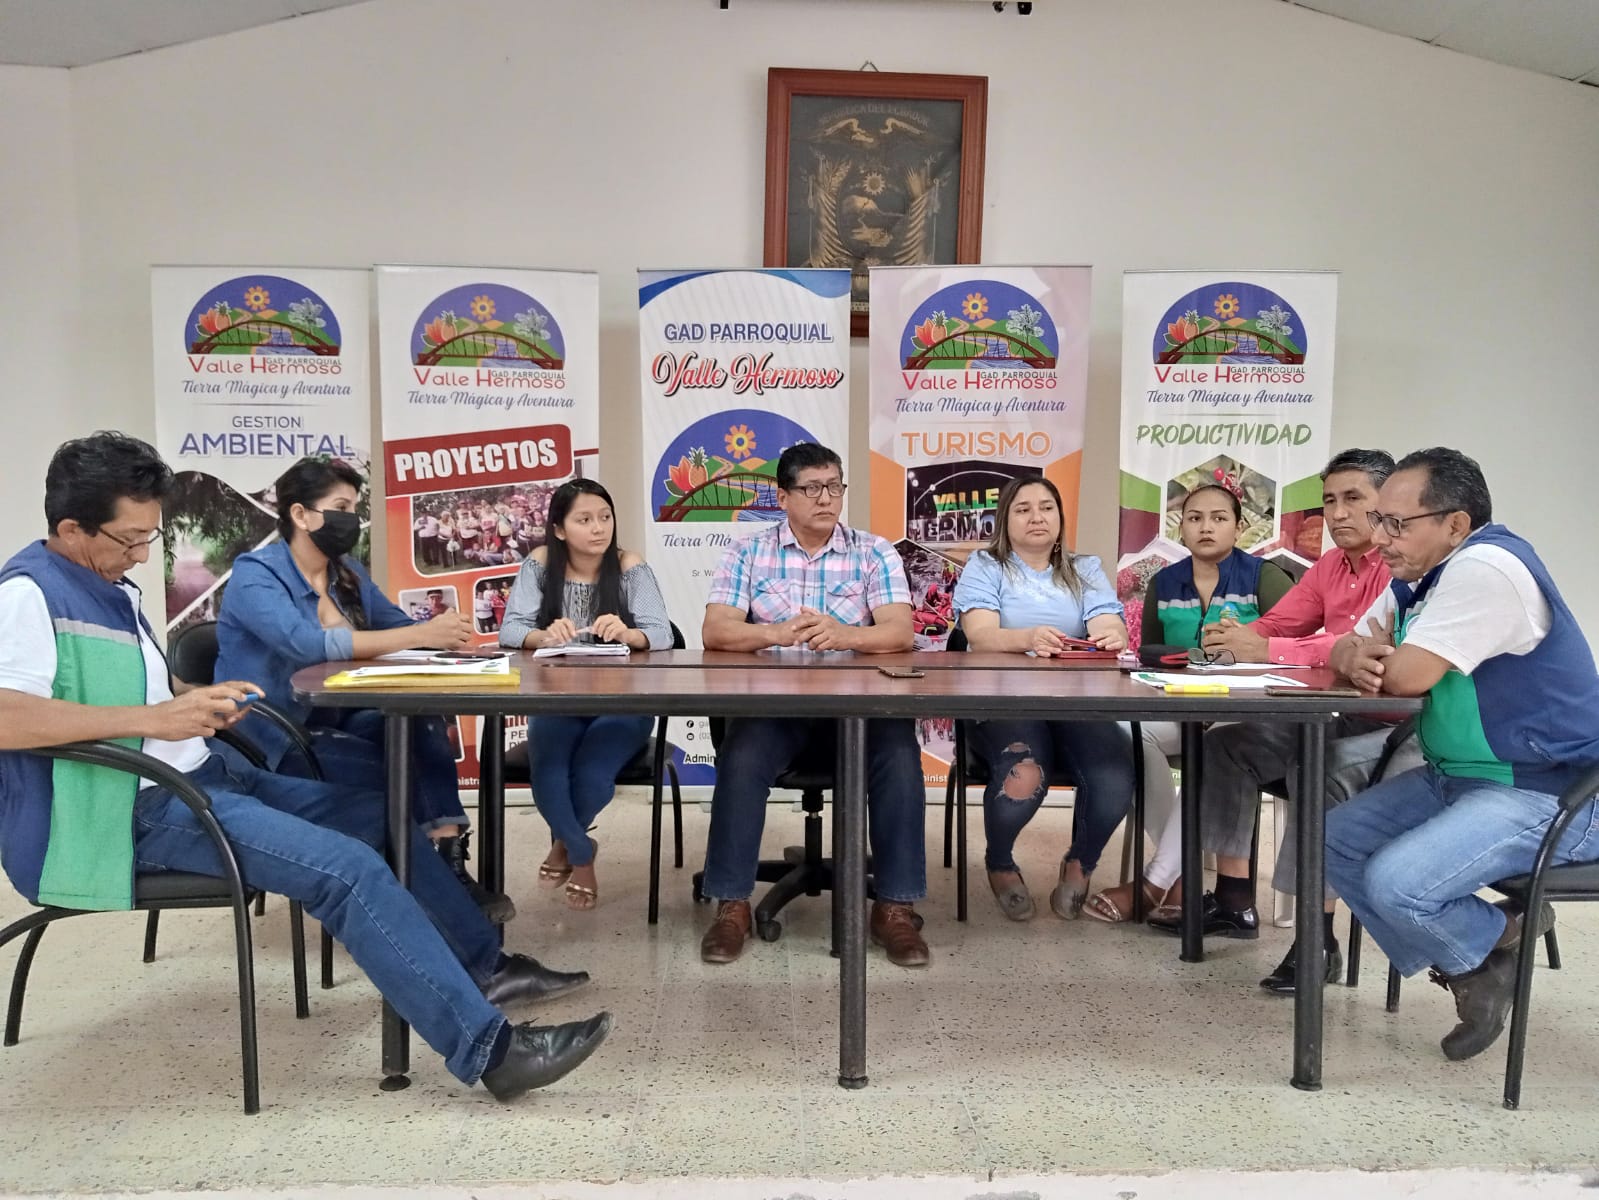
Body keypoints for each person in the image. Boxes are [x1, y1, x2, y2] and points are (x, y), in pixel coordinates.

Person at [0, 432, 608, 1100]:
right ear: (70, 528)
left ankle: (484, 967)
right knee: (345, 871)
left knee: (380, 818)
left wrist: (192, 698)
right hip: (129, 811)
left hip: (202, 774)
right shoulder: (29, 594)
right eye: (130, 539)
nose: (142, 554)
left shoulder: (107, 583)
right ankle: (492, 1052)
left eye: (151, 537)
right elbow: (7, 717)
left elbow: (120, 689)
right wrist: (154, 719)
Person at [1325, 448, 1599, 1061]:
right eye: (1379, 520)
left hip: (1552, 790)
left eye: (1397, 523)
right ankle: (1487, 953)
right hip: (1457, 778)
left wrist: (1373, 658)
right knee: (1333, 840)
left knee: (1396, 883)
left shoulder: (1486, 568)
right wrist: (1352, 653)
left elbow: (1406, 675)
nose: (1379, 537)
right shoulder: (1417, 576)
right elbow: (1348, 646)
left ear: (1455, 523)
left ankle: (1481, 952)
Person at [1148, 449, 1424, 994]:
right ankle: (1233, 900)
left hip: (1395, 729)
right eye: (1329, 501)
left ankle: (1317, 938)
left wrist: (1268, 648)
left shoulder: (1398, 565)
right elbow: (1279, 624)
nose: (1338, 513)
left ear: (1388, 502)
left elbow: (1361, 647)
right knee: (1225, 745)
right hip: (1334, 714)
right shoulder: (1329, 566)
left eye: (1353, 499)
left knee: (1314, 765)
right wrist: (1234, 636)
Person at [215, 457, 513, 923]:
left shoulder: (346, 571)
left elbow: (398, 627)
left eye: (354, 508)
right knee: (399, 774)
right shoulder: (255, 574)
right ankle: (430, 891)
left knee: (419, 730)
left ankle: (447, 865)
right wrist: (419, 634)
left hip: (338, 717)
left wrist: (444, 636)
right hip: (273, 738)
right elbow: (304, 643)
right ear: (300, 514)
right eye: (340, 508)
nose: (351, 520)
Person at [697, 443, 928, 967]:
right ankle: (731, 905)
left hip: (858, 708)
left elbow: (900, 631)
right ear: (783, 497)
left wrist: (848, 635)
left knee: (899, 755)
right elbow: (715, 630)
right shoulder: (748, 552)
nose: (826, 498)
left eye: (835, 487)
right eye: (812, 488)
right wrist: (775, 632)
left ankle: (895, 907)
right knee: (742, 755)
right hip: (777, 708)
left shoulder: (873, 552)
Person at [1084, 483, 1293, 929]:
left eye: (1219, 518)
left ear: (1239, 526)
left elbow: (1291, 651)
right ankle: (1182, 871)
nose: (1205, 527)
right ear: (1182, 528)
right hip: (1181, 709)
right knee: (1130, 735)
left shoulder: (1265, 578)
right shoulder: (1164, 582)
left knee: (1215, 747)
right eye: (1195, 518)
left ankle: (1159, 879)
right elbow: (1151, 656)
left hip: (1245, 717)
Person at [951, 476, 1134, 921]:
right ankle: (999, 861)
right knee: (1025, 775)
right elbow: (980, 636)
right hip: (1002, 700)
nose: (1037, 517)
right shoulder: (985, 565)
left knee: (1114, 775)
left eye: (1047, 507)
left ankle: (1080, 863)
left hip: (1075, 701)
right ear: (1005, 520)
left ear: (1060, 517)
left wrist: (1111, 635)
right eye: (1023, 509)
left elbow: (1110, 624)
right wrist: (1028, 638)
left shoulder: (1085, 568)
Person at [498, 479, 673, 910]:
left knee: (592, 774)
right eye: (584, 520)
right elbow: (510, 629)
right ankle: (582, 851)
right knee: (548, 771)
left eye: (605, 517)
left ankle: (565, 847)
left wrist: (629, 633)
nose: (598, 528)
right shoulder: (541, 563)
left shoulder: (629, 565)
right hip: (558, 698)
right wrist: (542, 635)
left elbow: (662, 633)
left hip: (623, 703)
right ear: (559, 529)